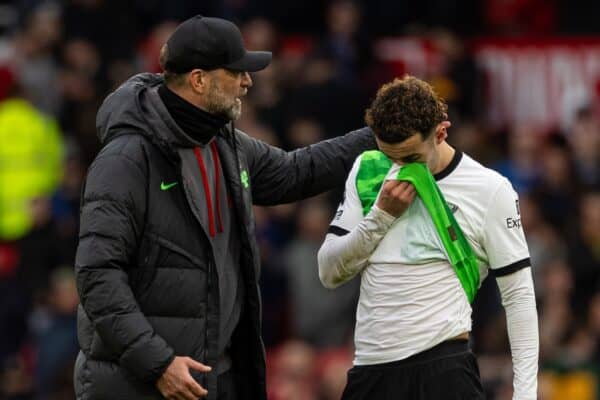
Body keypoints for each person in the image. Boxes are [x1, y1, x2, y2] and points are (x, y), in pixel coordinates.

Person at [73, 15, 385, 400]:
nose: (248, 82)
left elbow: (295, 171)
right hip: (142, 384)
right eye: (236, 72)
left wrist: (380, 133)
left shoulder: (224, 143)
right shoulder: (125, 160)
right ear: (199, 79)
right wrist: (157, 363)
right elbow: (97, 276)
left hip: (211, 379)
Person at [318, 76, 539, 400]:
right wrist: (380, 217)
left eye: (410, 158)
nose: (399, 168)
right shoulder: (368, 171)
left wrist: (526, 395)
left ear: (440, 132)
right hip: (371, 371)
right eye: (389, 155)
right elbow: (328, 272)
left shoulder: (490, 189)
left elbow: (518, 296)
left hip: (443, 371)